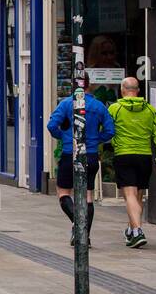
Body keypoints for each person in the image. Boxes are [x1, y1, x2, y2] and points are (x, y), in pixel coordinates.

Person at [46, 81, 116, 247]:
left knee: (64, 193)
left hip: (70, 153)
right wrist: (95, 140)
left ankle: (79, 228)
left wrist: (64, 137)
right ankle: (84, 235)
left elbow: (51, 126)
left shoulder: (65, 104)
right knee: (88, 196)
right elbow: (110, 131)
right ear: (89, 85)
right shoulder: (99, 106)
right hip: (90, 155)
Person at [108, 77, 156, 248]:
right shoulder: (150, 110)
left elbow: (106, 130)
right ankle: (131, 229)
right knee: (138, 195)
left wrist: (112, 143)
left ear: (122, 90)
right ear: (138, 91)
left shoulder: (115, 109)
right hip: (144, 156)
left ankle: (137, 231)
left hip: (124, 155)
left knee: (129, 195)